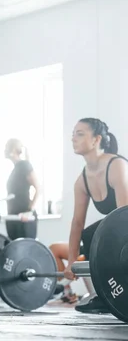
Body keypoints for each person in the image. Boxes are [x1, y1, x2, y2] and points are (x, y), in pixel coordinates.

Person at [61, 118, 127, 314]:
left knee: (102, 233)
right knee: (90, 234)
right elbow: (77, 223)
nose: (73, 138)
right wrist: (72, 262)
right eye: (73, 133)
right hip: (121, 221)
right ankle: (104, 295)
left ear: (96, 139)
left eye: (80, 133)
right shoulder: (82, 180)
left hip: (126, 218)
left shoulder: (116, 166)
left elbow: (124, 217)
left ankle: (115, 294)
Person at [4, 138, 41, 240]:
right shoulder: (15, 168)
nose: (4, 150)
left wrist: (29, 210)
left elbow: (38, 188)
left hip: (24, 217)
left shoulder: (25, 165)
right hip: (14, 217)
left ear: (14, 150)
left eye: (6, 147)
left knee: (25, 251)